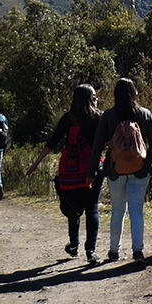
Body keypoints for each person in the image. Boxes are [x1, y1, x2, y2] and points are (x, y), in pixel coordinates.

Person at [27, 84, 105, 265]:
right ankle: (90, 251)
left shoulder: (67, 119)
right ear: (88, 98)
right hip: (93, 169)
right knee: (91, 208)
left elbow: (51, 143)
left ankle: (74, 244)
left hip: (70, 171)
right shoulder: (98, 117)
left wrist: (36, 163)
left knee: (74, 207)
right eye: (94, 96)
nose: (97, 98)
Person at [89, 78, 152, 264]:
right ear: (134, 93)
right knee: (136, 210)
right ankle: (138, 251)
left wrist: (91, 172)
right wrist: (147, 162)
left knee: (117, 211)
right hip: (139, 169)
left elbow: (97, 146)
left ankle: (114, 251)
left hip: (114, 169)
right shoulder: (144, 114)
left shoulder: (108, 116)